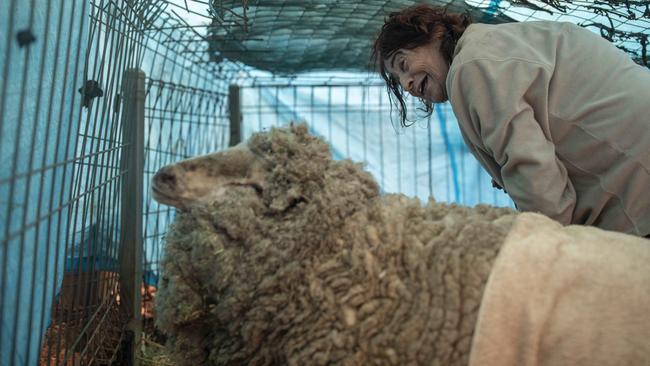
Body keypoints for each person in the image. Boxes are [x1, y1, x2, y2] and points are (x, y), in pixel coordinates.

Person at [372, 4, 650, 237]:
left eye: (404, 65)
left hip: (636, 189)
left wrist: (540, 248)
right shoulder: (496, 44)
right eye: (399, 81)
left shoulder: (472, 67)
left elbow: (535, 175)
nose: (407, 85)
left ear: (430, 34)